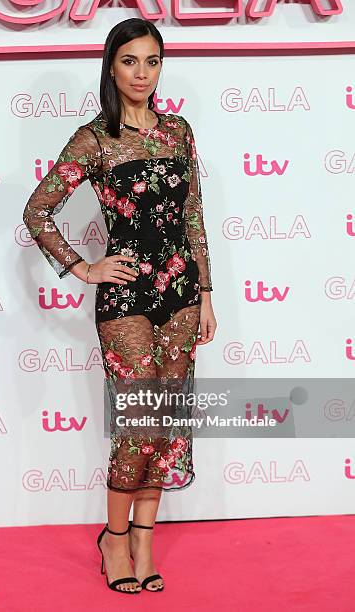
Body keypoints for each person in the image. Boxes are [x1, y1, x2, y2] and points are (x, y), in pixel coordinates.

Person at [23, 17, 217, 594]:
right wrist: (84, 268)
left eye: (152, 61)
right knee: (137, 423)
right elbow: (38, 210)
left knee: (164, 420)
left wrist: (206, 294)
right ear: (111, 66)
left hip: (181, 297)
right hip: (126, 298)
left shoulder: (177, 132)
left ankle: (144, 540)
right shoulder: (94, 138)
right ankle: (113, 539)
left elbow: (192, 218)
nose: (142, 73)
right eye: (131, 61)